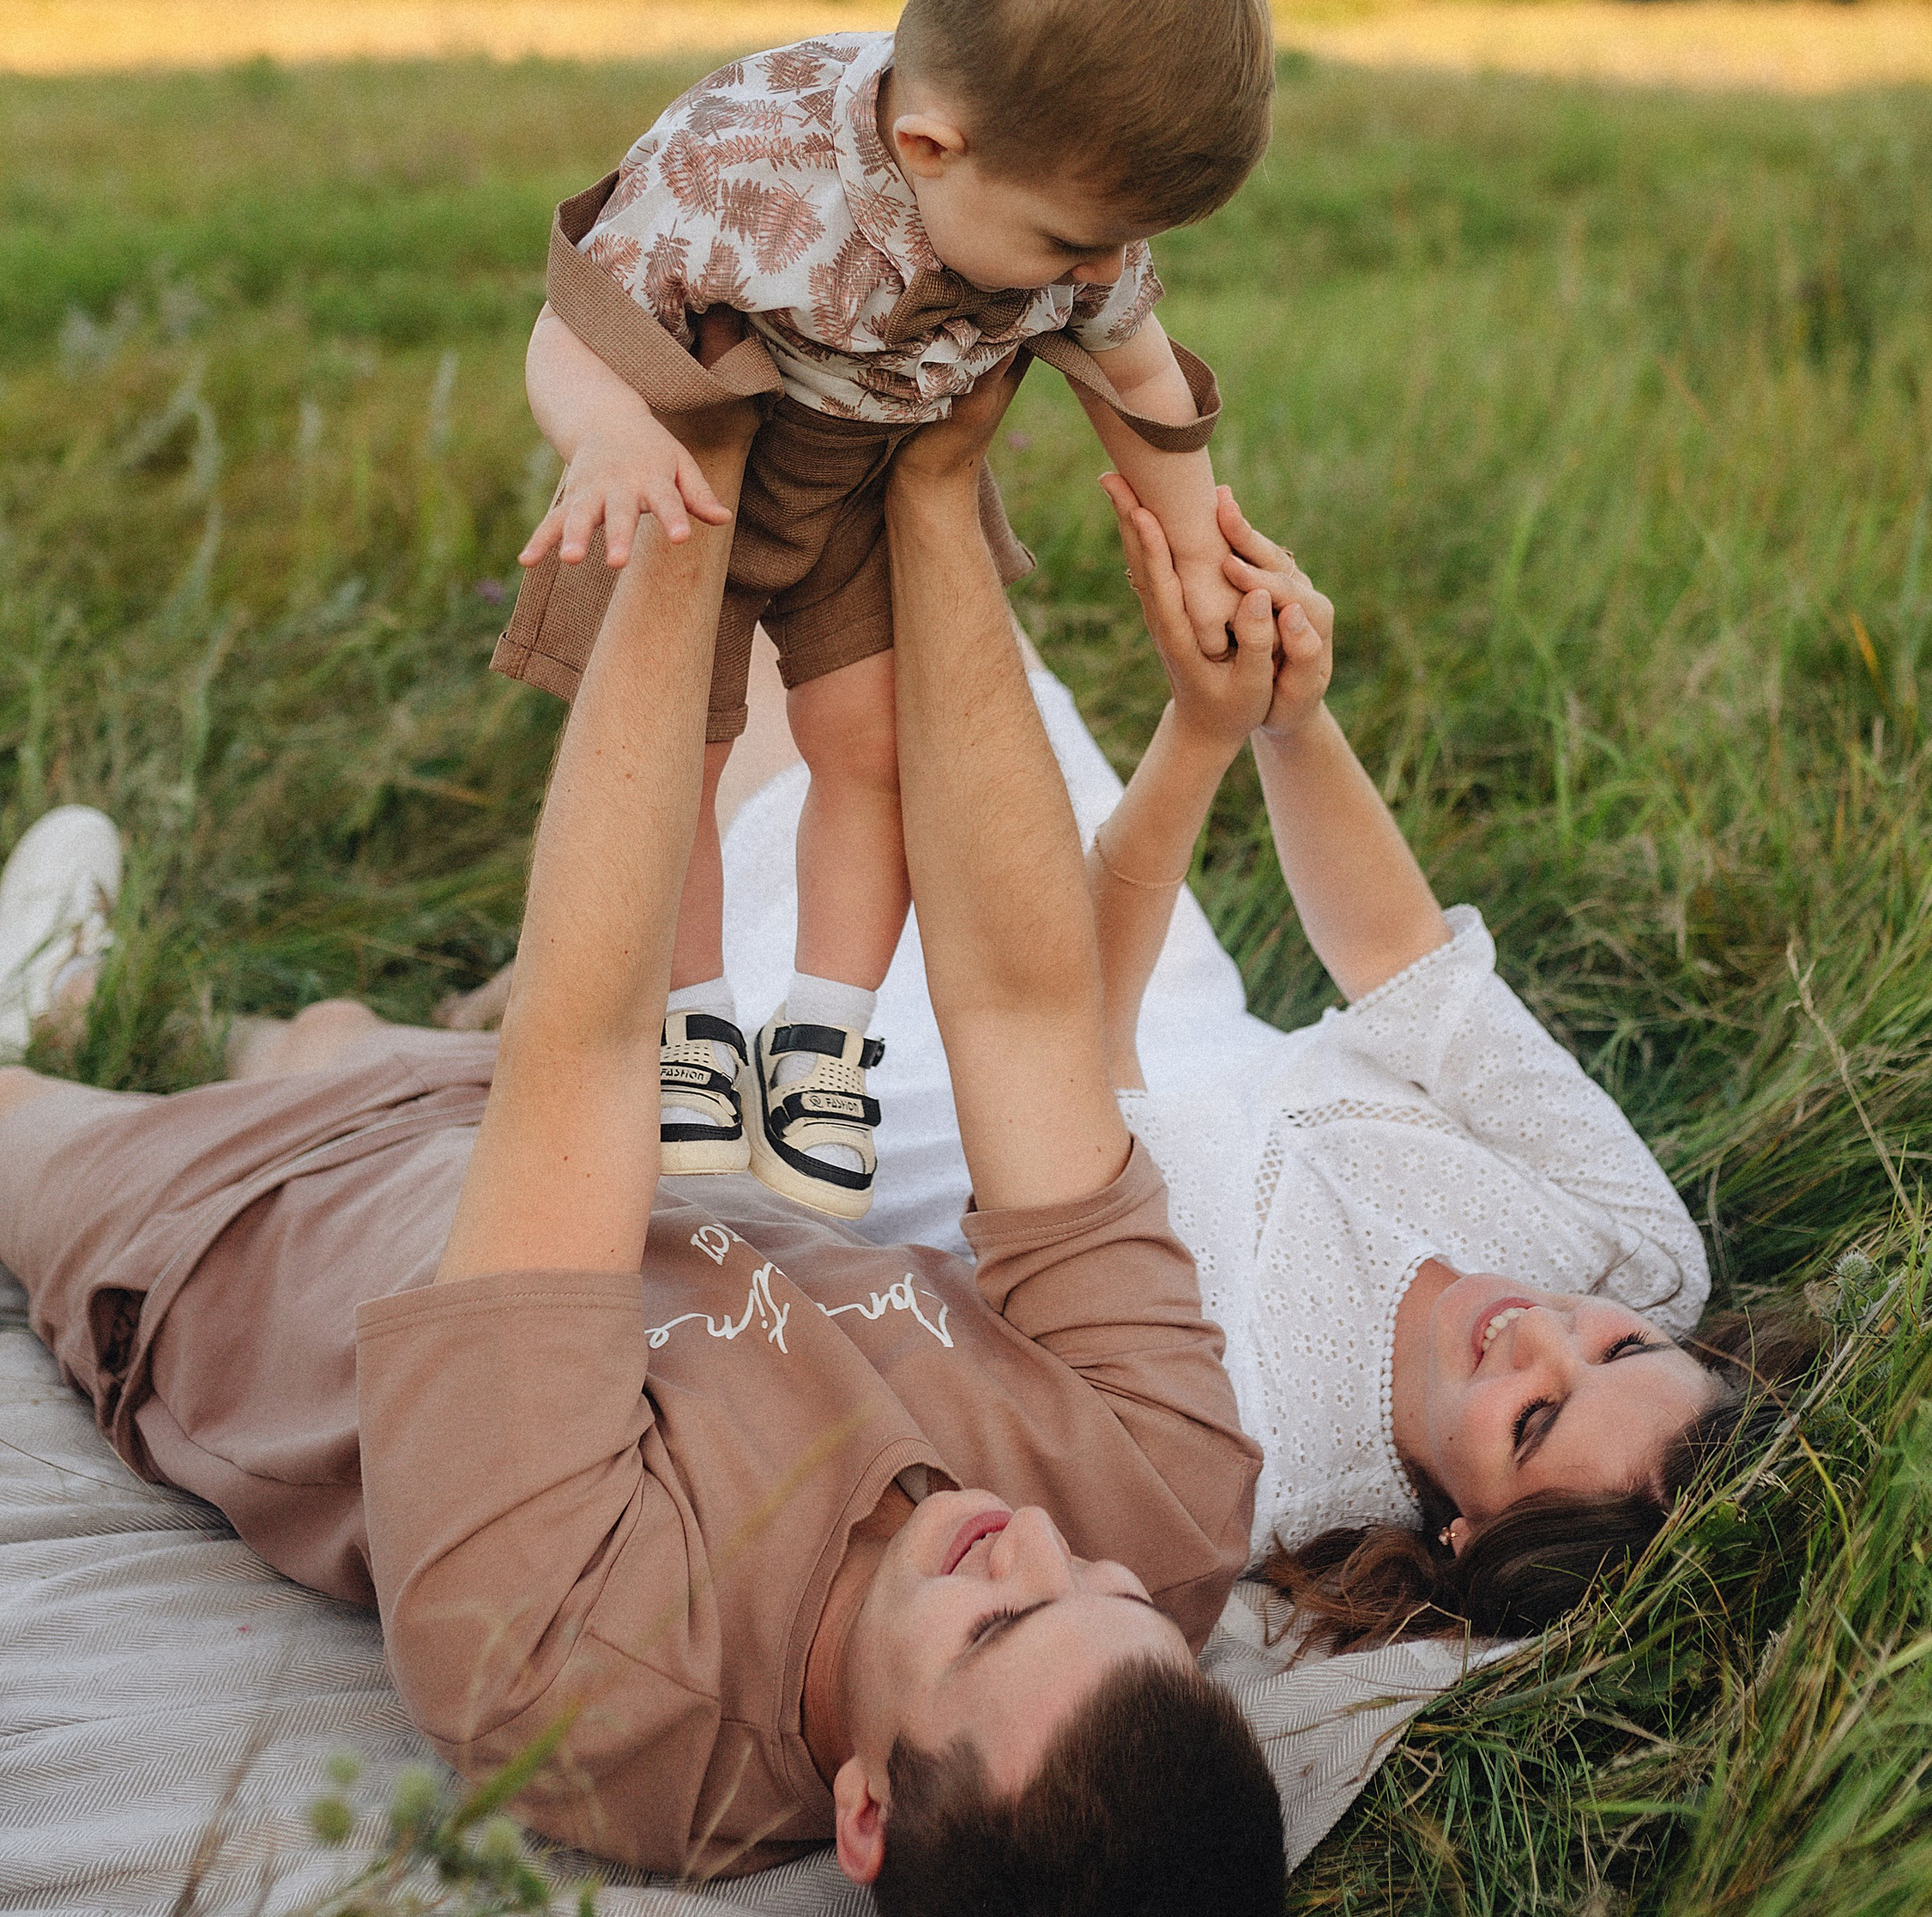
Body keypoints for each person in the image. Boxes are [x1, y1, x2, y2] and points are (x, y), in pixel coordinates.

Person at [0, 375, 1286, 1917]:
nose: (1037, 1533)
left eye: (995, 1615)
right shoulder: (1166, 1513)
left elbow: (589, 1044)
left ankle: (56, 1034)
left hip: (256, 1229)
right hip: (603, 1169)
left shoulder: (586, 1682)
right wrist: (938, 487)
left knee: (89, 1113)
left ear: (864, 1822)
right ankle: (132, 1001)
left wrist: (699, 499)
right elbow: (1032, 1015)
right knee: (328, 1034)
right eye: (1107, 1588)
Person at [706, 482, 1816, 1655]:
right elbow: (1405, 968)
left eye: (1531, 1420)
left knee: (719, 493)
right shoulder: (1637, 1254)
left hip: (923, 1057)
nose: (1537, 1331)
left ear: (1465, 1537)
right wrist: (1290, 713)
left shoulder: (1256, 1466)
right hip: (1150, 945)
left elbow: (1059, 1047)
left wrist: (1197, 737)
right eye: (1619, 1347)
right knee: (879, 465)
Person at [492, 0, 1271, 1217]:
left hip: (861, 484)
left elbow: (1142, 381)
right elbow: (573, 327)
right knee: (679, 746)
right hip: (696, 465)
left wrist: (1198, 543)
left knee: (873, 746)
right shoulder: (742, 157)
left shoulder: (1062, 201)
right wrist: (608, 431)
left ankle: (821, 1041)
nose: (1099, 276)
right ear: (927, 147)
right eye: (1071, 245)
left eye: (1119, 244)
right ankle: (693, 1024)